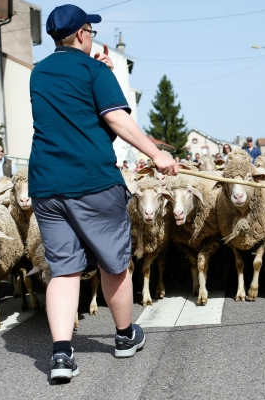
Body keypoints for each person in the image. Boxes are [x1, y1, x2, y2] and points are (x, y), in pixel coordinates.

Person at [30, 4, 177, 382]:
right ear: (81, 34)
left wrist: (99, 73)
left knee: (64, 271)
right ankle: (126, 336)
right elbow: (114, 118)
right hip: (92, 180)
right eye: (91, 31)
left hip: (47, 184)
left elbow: (72, 115)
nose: (93, 36)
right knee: (114, 263)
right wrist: (157, 154)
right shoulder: (94, 70)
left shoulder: (39, 73)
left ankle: (62, 355)